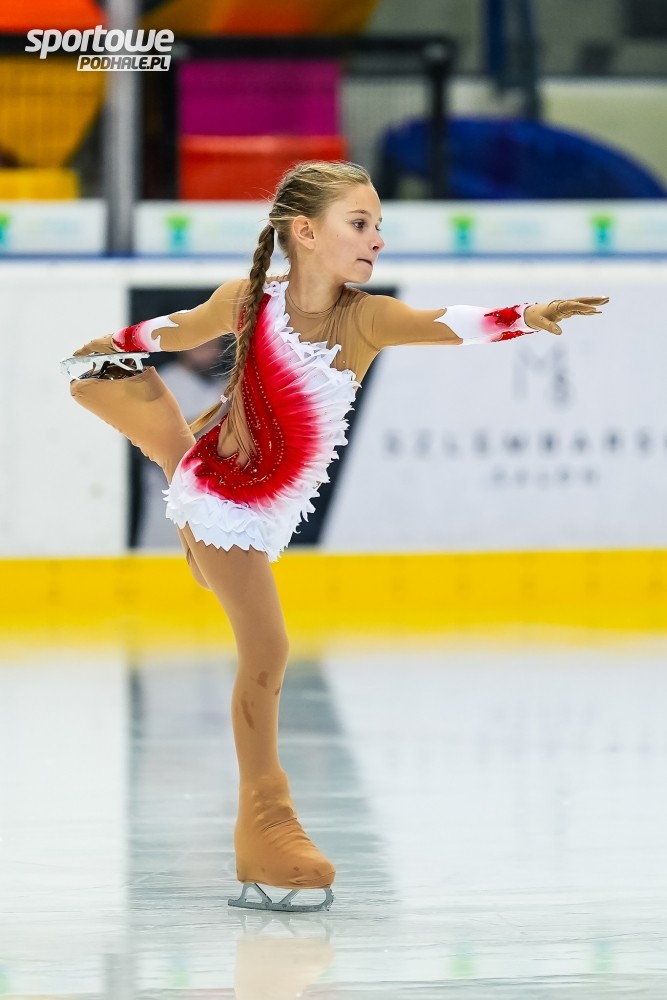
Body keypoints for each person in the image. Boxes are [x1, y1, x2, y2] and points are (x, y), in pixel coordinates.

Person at [66, 160, 608, 912]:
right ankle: (265, 823)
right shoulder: (246, 302)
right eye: (360, 224)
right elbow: (175, 330)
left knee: (211, 561)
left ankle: (171, 447)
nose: (376, 239)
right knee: (268, 649)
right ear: (306, 232)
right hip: (224, 499)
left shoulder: (365, 318)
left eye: (379, 225)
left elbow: (447, 323)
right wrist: (111, 344)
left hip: (268, 507)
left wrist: (526, 314)